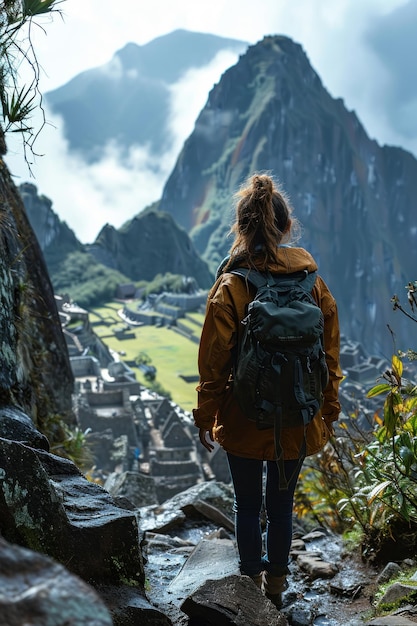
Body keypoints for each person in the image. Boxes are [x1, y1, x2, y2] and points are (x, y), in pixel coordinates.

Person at [192, 173, 342, 608]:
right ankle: (276, 589)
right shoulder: (312, 282)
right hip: (298, 413)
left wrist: (207, 416)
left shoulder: (231, 285)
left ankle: (249, 588)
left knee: (246, 502)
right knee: (281, 506)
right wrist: (327, 409)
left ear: (241, 227)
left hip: (243, 417)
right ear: (285, 225)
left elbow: (214, 362)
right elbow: (329, 356)